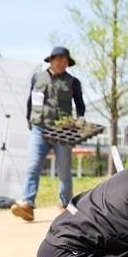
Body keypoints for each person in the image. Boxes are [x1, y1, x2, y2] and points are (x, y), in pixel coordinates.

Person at [11, 46, 85, 222]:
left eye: (65, 61)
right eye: (59, 59)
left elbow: (80, 104)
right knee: (33, 166)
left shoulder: (73, 82)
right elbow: (31, 101)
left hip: (63, 131)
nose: (62, 63)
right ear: (51, 60)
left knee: (64, 171)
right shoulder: (38, 77)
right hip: (40, 128)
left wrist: (81, 118)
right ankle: (27, 205)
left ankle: (66, 206)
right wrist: (30, 119)